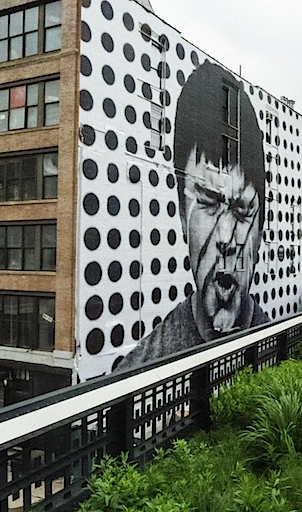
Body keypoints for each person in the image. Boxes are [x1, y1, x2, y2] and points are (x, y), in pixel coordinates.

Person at [115, 61, 268, 372]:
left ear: (260, 228)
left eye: (242, 210)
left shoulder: (280, 345)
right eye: (209, 203)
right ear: (182, 216)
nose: (226, 238)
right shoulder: (138, 368)